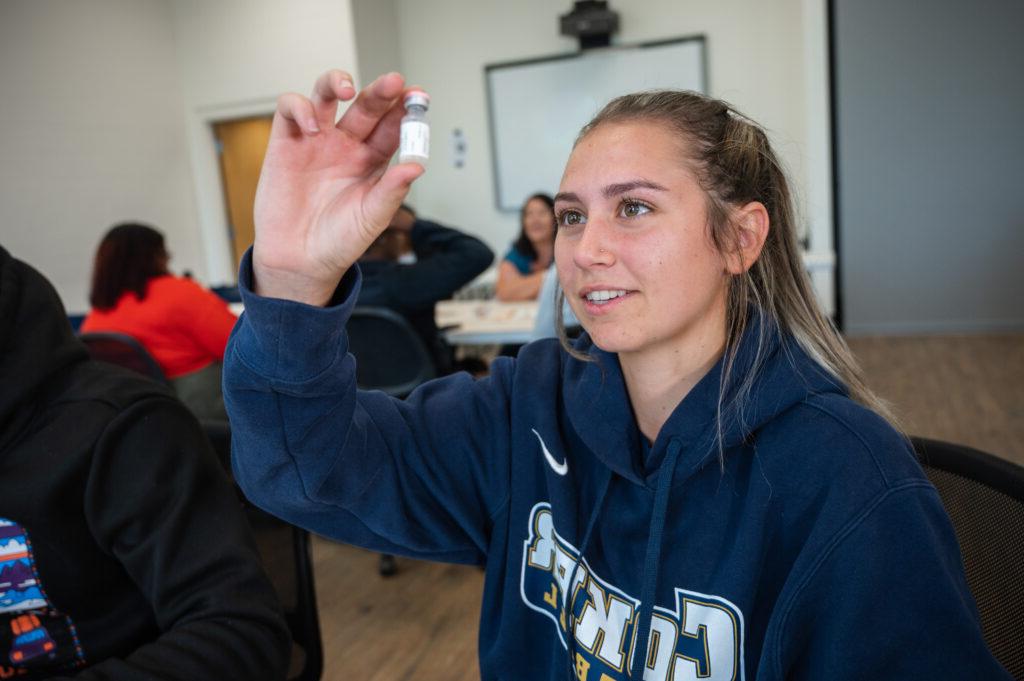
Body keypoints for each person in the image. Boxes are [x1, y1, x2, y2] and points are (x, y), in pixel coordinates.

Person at [224, 69, 1010, 680]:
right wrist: (294, 279)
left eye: (632, 208)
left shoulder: (848, 478)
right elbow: (299, 469)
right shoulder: (527, 404)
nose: (585, 249)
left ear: (739, 238)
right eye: (572, 215)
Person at [0, 245, 289, 680]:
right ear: (157, 256)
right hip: (189, 413)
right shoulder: (181, 293)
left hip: (142, 421)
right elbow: (247, 350)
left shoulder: (102, 308)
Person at [81, 223, 238, 420]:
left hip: (140, 417)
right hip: (202, 408)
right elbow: (240, 346)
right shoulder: (181, 293)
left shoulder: (97, 315)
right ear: (155, 256)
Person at [357, 203, 493, 374]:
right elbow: (477, 254)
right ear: (386, 238)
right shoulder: (407, 281)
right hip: (426, 386)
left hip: (362, 390)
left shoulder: (337, 286)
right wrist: (414, 225)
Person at [494, 193, 556, 301]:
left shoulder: (567, 251)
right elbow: (505, 292)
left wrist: (526, 287)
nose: (535, 220)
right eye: (529, 214)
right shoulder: (517, 253)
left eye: (542, 213)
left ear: (555, 218)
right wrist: (554, 277)